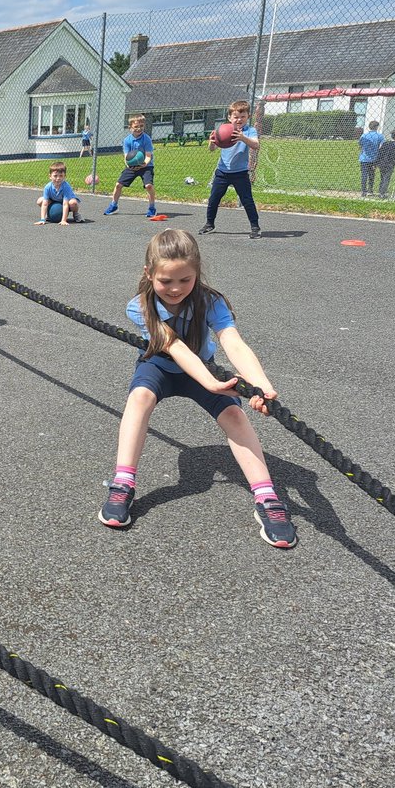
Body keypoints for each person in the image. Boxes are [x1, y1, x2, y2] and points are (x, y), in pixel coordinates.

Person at [98, 228, 296, 548]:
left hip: (203, 369)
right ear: (149, 274)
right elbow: (173, 347)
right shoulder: (140, 306)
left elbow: (233, 342)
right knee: (139, 398)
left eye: (185, 280)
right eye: (166, 281)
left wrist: (262, 386)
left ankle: (268, 497)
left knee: (235, 416)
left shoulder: (211, 301)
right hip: (160, 366)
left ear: (197, 273)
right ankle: (123, 482)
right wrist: (212, 383)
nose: (175, 289)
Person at [198, 100, 262, 238]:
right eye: (236, 117)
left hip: (240, 173)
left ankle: (255, 227)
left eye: (242, 117)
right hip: (222, 172)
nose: (239, 120)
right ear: (229, 117)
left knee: (247, 200)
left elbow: (256, 145)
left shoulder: (250, 131)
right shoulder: (223, 130)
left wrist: (242, 137)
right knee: (214, 198)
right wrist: (211, 142)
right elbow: (212, 149)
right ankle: (210, 224)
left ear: (248, 117)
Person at [103, 115, 159, 218]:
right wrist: (130, 165)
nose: (139, 128)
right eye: (136, 126)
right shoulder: (127, 140)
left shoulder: (146, 139)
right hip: (132, 167)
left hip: (146, 166)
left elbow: (148, 156)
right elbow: (126, 157)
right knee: (118, 185)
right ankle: (113, 205)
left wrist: (143, 164)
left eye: (141, 126)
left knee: (148, 186)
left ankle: (152, 208)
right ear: (130, 127)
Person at [377, 129, 395, 199]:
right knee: (386, 178)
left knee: (382, 178)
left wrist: (376, 163)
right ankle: (382, 193)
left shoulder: (385, 143)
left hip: (382, 163)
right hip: (390, 164)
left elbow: (380, 153)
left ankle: (380, 191)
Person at [358, 120, 384, 197]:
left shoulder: (364, 135)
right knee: (371, 175)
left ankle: (363, 191)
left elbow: (360, 145)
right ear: (376, 127)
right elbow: (382, 147)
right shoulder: (380, 136)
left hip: (364, 158)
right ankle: (370, 190)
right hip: (374, 159)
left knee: (364, 175)